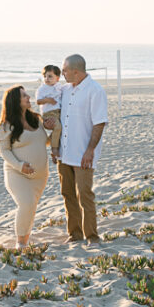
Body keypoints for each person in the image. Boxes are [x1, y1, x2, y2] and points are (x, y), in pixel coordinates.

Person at [48, 54, 108, 245]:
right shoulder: (64, 90)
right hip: (64, 153)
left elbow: (99, 123)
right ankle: (75, 234)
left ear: (75, 71)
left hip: (83, 154)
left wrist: (90, 150)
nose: (61, 73)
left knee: (85, 194)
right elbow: (57, 116)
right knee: (67, 194)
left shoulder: (95, 90)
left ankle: (92, 236)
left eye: (64, 70)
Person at [0, 86, 49, 249]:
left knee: (31, 208)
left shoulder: (35, 119)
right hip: (17, 174)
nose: (29, 97)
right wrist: (19, 165)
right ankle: (21, 243)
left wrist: (56, 135)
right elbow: (4, 150)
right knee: (26, 204)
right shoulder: (6, 126)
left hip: (40, 176)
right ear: (15, 102)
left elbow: (43, 142)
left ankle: (26, 237)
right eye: (24, 96)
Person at [35, 64, 64, 161]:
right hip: (49, 113)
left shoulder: (59, 86)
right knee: (58, 127)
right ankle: (54, 149)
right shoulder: (42, 89)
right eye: (45, 76)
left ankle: (49, 141)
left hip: (58, 112)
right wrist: (48, 100)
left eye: (50, 76)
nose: (47, 79)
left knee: (63, 128)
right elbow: (38, 101)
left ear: (57, 78)